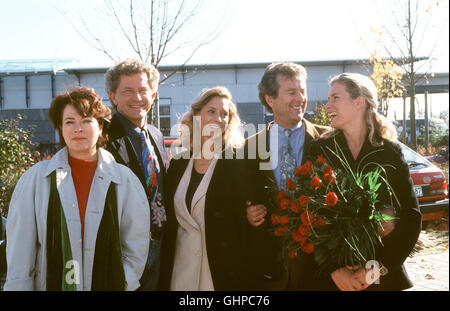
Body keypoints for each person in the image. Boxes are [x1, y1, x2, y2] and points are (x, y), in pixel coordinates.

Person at [4, 87, 150, 291]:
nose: (78, 129)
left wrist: (122, 281)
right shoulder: (36, 179)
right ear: (61, 128)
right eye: (69, 122)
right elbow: (20, 248)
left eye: (86, 120)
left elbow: (136, 245)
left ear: (100, 127)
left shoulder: (124, 181)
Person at [305, 73, 422, 290]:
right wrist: (334, 269)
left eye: (335, 98)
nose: (327, 105)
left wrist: (380, 267)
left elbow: (411, 215)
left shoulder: (390, 151)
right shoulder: (320, 149)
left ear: (359, 102)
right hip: (334, 278)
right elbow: (309, 212)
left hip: (382, 273)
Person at [158, 86, 258, 290]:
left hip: (222, 272)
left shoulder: (239, 161)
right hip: (181, 272)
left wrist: (250, 213)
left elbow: (252, 205)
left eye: (224, 114)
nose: (218, 119)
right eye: (211, 111)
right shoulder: (178, 163)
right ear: (196, 115)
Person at [244, 62, 329, 290]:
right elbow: (240, 194)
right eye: (291, 92)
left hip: (319, 264)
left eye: (302, 91)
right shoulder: (249, 147)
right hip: (270, 268)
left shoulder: (328, 140)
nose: (300, 98)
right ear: (270, 99)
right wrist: (246, 211)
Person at [105, 59, 169, 291]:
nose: (137, 98)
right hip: (125, 249)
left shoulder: (155, 135)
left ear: (153, 95)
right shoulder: (102, 137)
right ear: (113, 96)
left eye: (143, 90)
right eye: (127, 91)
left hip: (161, 246)